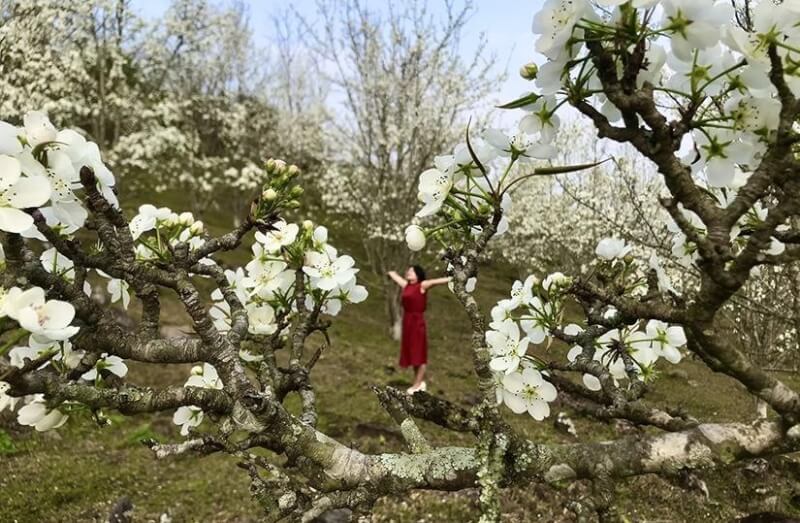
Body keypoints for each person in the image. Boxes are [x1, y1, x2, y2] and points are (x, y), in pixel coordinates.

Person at [387, 266, 451, 394]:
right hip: (407, 321)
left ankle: (417, 385)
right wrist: (391, 273)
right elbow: (397, 278)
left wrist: (454, 277)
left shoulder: (423, 285)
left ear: (418, 274)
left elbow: (437, 281)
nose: (408, 272)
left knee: (419, 353)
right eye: (408, 271)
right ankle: (419, 382)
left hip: (417, 321)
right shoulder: (406, 285)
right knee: (411, 353)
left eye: (411, 271)